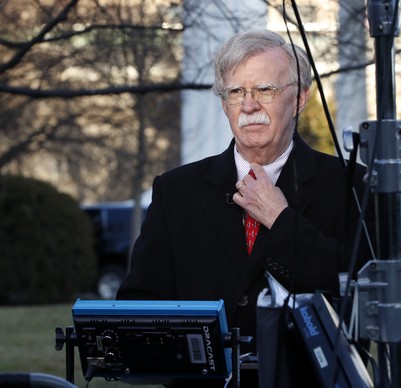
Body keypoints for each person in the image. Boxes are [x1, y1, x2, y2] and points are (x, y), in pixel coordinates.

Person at [117, 30, 375, 387]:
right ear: (224, 104)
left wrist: (281, 220)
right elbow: (139, 305)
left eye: (265, 90)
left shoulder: (353, 186)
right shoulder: (175, 191)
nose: (249, 105)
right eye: (236, 92)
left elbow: (368, 292)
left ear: (300, 98)